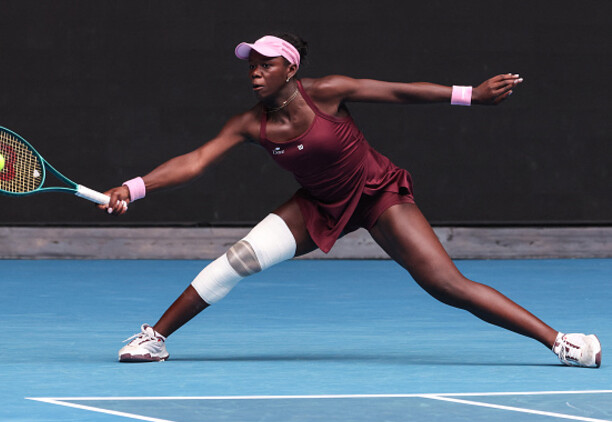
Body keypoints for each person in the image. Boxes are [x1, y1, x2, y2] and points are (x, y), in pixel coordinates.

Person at [102, 33, 601, 368]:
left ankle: (561, 342)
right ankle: (155, 338)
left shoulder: (327, 92)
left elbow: (401, 92)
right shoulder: (250, 123)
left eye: (265, 64)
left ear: (290, 68)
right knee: (239, 259)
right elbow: (195, 161)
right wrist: (132, 187)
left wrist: (471, 94)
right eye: (251, 66)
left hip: (376, 193)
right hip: (318, 203)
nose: (255, 73)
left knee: (447, 285)